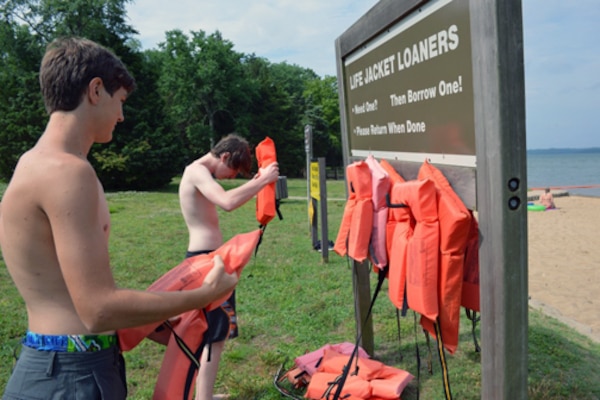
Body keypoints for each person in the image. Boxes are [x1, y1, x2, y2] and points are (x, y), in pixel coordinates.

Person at [0, 37, 238, 400]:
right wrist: (206, 295)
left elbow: (75, 295)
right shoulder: (68, 173)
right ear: (96, 90)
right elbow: (97, 309)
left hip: (53, 366)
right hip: (71, 377)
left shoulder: (33, 163)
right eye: (120, 101)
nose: (122, 115)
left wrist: (152, 321)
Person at [178, 133, 279, 400]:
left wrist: (258, 182)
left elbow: (229, 196)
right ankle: (204, 398)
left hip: (206, 258)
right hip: (207, 260)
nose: (231, 177)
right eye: (233, 170)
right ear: (224, 156)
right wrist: (265, 181)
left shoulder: (198, 173)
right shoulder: (198, 171)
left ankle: (204, 396)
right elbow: (227, 202)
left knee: (211, 330)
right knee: (216, 333)